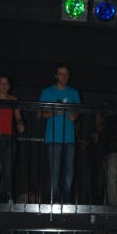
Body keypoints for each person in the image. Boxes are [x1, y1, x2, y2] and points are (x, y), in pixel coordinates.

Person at [38, 64, 81, 203]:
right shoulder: (47, 92)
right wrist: (53, 113)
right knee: (54, 171)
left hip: (69, 137)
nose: (64, 77)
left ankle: (67, 199)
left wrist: (75, 115)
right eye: (61, 74)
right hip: (53, 137)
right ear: (56, 76)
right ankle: (54, 199)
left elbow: (78, 111)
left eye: (66, 74)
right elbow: (39, 114)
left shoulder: (74, 92)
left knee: (70, 170)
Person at [0, 76, 25, 202]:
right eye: (1, 83)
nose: (4, 85)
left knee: (8, 168)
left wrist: (20, 123)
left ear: (9, 86)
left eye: (6, 83)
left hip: (9, 136)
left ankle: (6, 195)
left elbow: (18, 116)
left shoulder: (13, 99)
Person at [101, 100, 117, 205]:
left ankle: (114, 204)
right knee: (110, 178)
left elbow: (111, 136)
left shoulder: (113, 119)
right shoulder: (114, 119)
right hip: (111, 151)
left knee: (111, 177)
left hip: (114, 151)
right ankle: (113, 203)